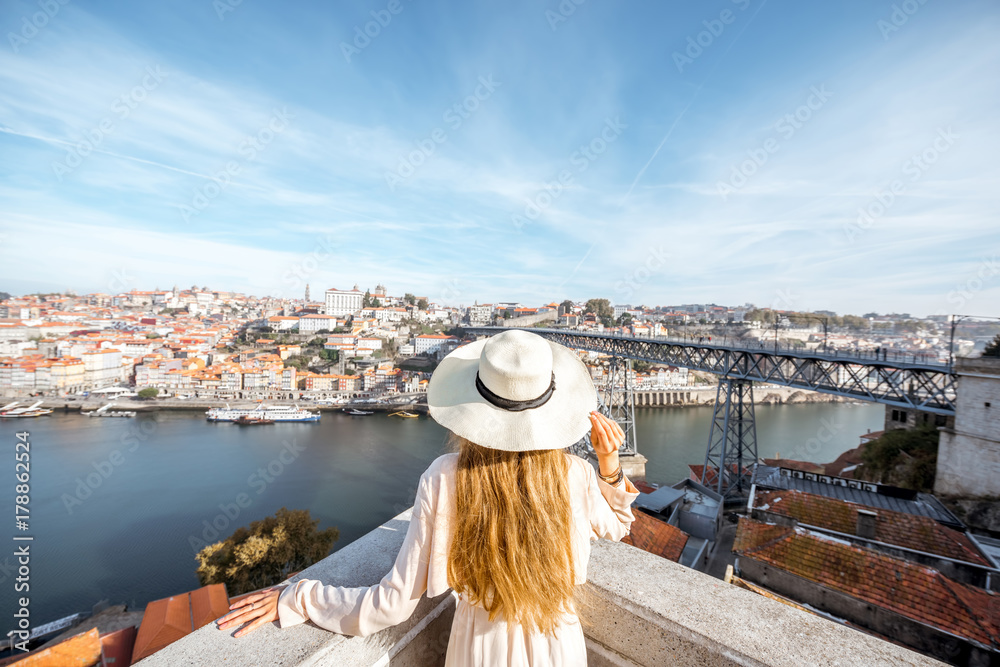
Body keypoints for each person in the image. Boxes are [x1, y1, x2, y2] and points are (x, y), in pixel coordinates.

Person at [215, 329, 639, 665]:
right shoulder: (576, 474)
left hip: (479, 652)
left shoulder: (445, 478)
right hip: (561, 649)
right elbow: (619, 527)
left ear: (473, 406)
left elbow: (389, 605)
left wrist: (297, 597)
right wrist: (609, 464)